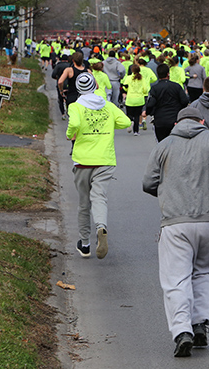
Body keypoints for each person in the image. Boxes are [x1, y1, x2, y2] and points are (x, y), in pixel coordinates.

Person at [142, 106, 209, 358]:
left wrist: (167, 192)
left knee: (176, 278)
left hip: (176, 222)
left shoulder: (164, 145)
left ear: (177, 123)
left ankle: (182, 331)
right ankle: (200, 323)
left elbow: (148, 182)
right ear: (201, 121)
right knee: (202, 272)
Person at [67, 73, 131, 260]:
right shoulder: (108, 106)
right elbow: (126, 122)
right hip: (105, 159)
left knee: (83, 203)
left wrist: (71, 133)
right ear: (95, 86)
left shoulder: (75, 106)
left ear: (79, 89)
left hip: (83, 161)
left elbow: (75, 123)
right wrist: (108, 126)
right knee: (99, 197)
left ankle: (85, 244)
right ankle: (101, 227)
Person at [146, 63, 189, 142]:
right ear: (168, 74)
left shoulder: (155, 88)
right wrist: (179, 109)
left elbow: (150, 104)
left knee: (161, 143)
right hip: (174, 119)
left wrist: (150, 112)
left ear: (158, 75)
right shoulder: (176, 86)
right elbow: (185, 101)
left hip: (160, 120)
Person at [121, 64, 150, 136]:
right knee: (137, 115)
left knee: (129, 114)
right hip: (139, 99)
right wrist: (144, 93)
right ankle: (136, 131)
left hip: (130, 99)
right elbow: (145, 89)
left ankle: (131, 121)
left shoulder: (128, 78)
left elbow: (124, 87)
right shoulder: (142, 78)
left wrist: (127, 90)